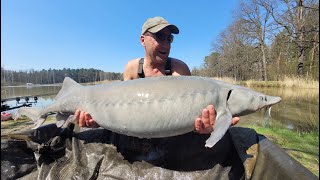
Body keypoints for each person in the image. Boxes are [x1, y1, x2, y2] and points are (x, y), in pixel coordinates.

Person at [74, 16, 240, 134]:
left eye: (169, 38)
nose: (166, 44)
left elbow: (191, 119)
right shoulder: (132, 69)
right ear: (142, 40)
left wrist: (205, 128)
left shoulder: (179, 70)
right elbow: (122, 111)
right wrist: (97, 120)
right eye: (159, 36)